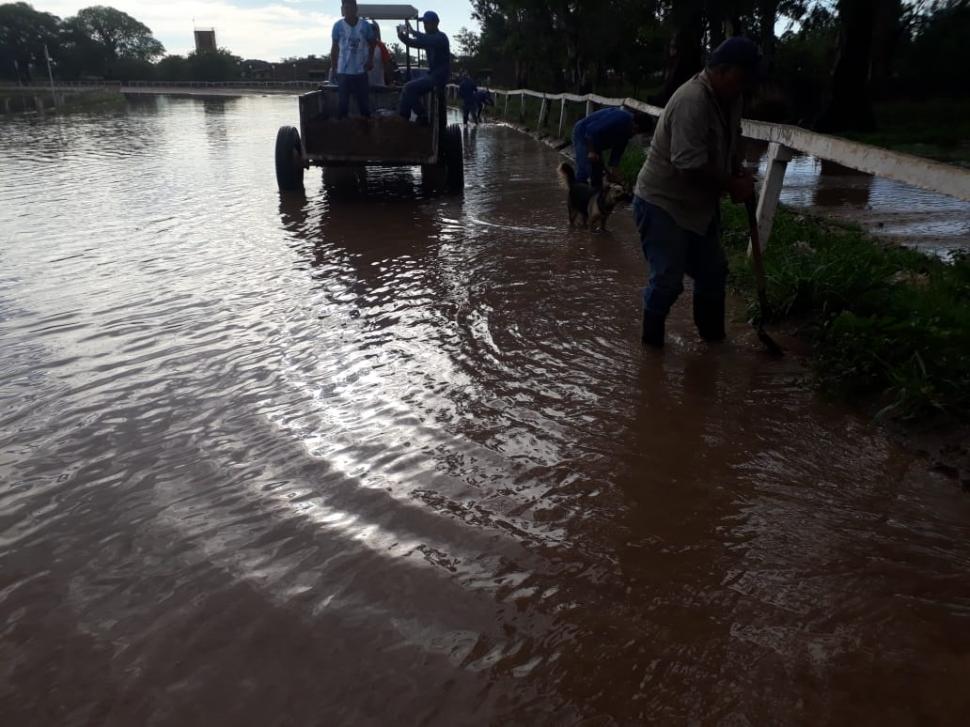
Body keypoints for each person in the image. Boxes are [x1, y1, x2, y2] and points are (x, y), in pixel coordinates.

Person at [633, 37, 761, 349]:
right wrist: (733, 185)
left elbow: (731, 140)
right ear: (722, 70)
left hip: (699, 205)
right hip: (663, 202)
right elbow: (688, 167)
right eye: (741, 78)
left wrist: (737, 168)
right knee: (667, 281)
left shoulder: (731, 97)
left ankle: (713, 343)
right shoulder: (692, 100)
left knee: (713, 271)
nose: (745, 86)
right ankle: (651, 353)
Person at [571, 107, 654, 188]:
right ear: (636, 124)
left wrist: (613, 169)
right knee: (584, 170)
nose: (635, 133)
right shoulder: (619, 118)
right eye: (636, 130)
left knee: (597, 174)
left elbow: (618, 150)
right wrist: (591, 151)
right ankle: (578, 196)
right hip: (583, 133)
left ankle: (596, 198)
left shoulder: (629, 131)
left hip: (597, 140)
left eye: (637, 132)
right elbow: (591, 130)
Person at [396, 10, 450, 123]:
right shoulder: (428, 39)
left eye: (427, 23)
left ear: (436, 23)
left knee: (408, 87)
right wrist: (402, 37)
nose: (425, 26)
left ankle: (422, 114)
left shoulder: (440, 37)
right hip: (433, 75)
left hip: (439, 76)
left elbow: (427, 39)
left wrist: (413, 32)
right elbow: (413, 43)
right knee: (407, 91)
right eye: (424, 23)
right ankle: (403, 118)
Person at [330, 0, 376, 118]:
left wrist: (370, 60)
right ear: (342, 10)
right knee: (343, 103)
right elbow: (334, 48)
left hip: (361, 71)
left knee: (364, 104)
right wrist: (334, 67)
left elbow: (372, 43)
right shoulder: (338, 26)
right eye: (345, 8)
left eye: (350, 8)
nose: (348, 11)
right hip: (343, 72)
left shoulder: (365, 25)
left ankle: (366, 129)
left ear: (356, 9)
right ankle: (343, 129)